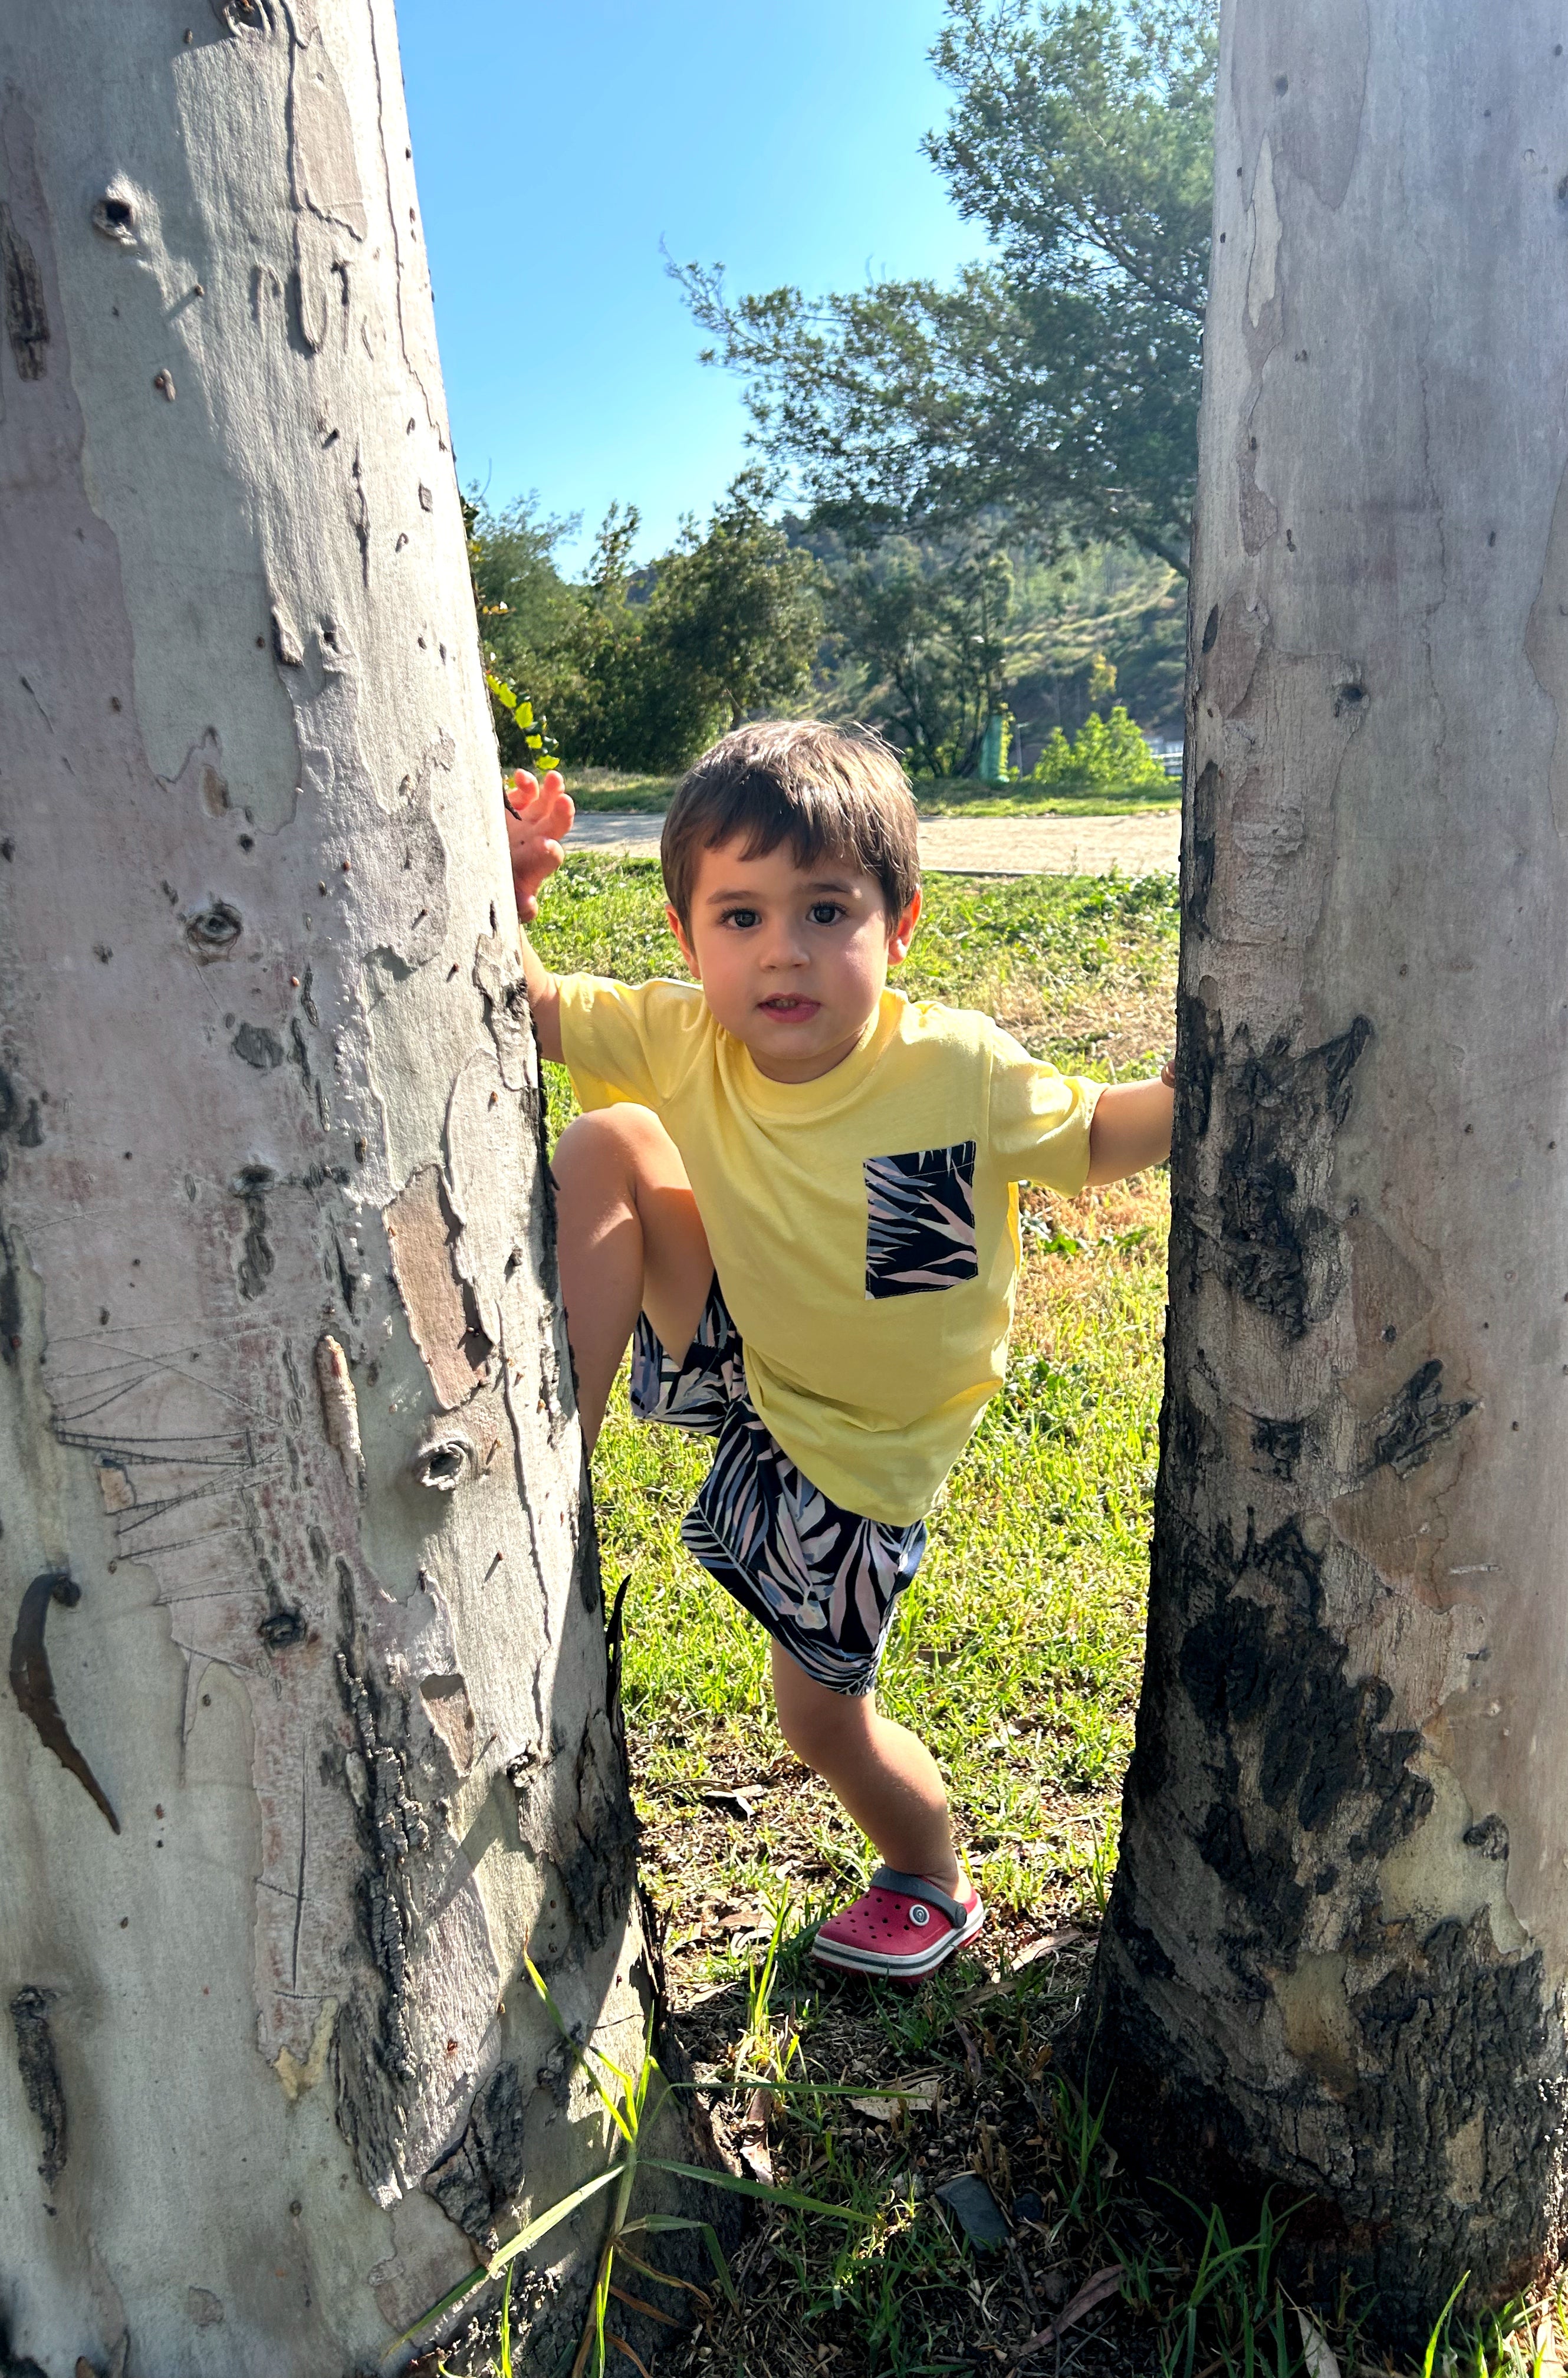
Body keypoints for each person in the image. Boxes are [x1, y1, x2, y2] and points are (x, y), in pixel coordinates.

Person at [506, 721, 1173, 1981]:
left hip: (861, 1453)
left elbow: (1095, 1141)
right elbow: (533, 1007)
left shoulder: (951, 1068)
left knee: (817, 1718)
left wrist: (1195, 1092)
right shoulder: (682, 1036)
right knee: (606, 1145)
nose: (784, 953)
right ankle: (546, 1466)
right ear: (686, 938)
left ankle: (930, 1870)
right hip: (745, 1349)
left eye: (825, 911)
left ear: (898, 925)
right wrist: (511, 884)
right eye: (741, 919)